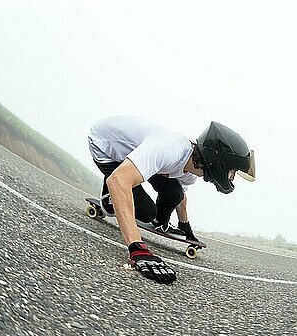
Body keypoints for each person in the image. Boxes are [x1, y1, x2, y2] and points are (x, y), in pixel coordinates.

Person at [87, 116, 255, 284]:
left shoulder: (190, 172)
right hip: (106, 146)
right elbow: (119, 180)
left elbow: (180, 199)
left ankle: (159, 220)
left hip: (136, 152)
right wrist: (137, 249)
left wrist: (185, 227)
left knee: (176, 192)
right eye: (232, 171)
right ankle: (109, 197)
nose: (232, 177)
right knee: (145, 212)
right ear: (219, 161)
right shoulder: (170, 149)